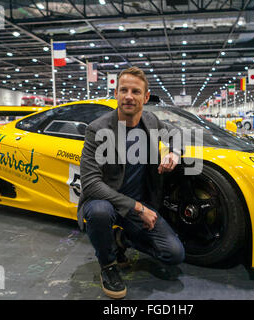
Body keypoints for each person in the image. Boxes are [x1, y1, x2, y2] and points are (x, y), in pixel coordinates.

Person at [77, 67, 185, 299]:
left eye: (135, 91)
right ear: (115, 94)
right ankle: (108, 266)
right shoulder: (97, 129)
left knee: (174, 255)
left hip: (141, 204)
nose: (128, 96)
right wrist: (138, 208)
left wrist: (174, 153)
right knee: (98, 211)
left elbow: (175, 133)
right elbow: (91, 184)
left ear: (145, 97)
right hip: (109, 203)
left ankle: (122, 238)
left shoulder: (150, 120)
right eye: (123, 90)